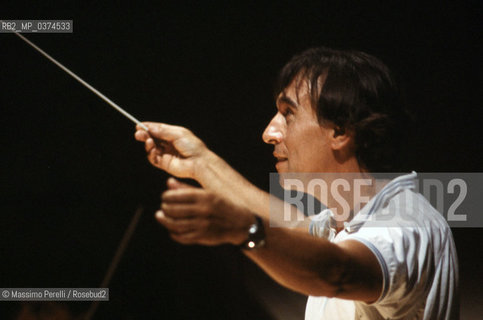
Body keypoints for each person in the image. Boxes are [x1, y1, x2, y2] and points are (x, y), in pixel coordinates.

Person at [134, 47, 459, 319]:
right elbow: (295, 228)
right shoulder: (348, 224)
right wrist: (201, 164)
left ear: (341, 131)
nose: (269, 133)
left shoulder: (406, 223)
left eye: (287, 114)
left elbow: (335, 272)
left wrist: (244, 230)